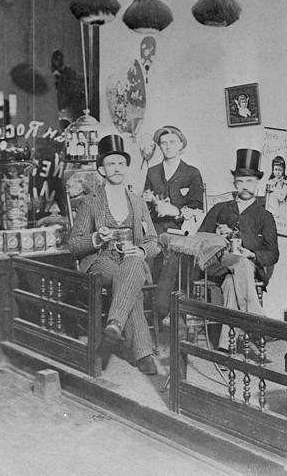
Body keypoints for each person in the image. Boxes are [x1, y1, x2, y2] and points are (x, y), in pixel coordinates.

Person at [68, 134, 162, 375]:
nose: (117, 168)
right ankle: (143, 353)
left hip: (131, 259)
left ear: (126, 166)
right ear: (101, 169)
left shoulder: (138, 202)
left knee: (131, 268)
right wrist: (96, 238)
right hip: (101, 260)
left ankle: (114, 325)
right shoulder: (90, 202)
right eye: (111, 163)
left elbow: (154, 242)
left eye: (121, 163)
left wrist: (140, 250)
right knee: (129, 281)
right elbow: (75, 244)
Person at [198, 149, 279, 349]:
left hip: (247, 268)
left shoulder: (264, 216)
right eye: (240, 181)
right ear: (234, 182)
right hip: (218, 264)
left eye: (249, 181)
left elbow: (273, 254)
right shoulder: (220, 209)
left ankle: (227, 346)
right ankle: (257, 320)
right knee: (237, 263)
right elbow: (199, 239)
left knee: (231, 282)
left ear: (257, 183)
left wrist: (251, 253)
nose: (245, 186)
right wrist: (218, 235)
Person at [145, 126, 204, 319]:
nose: (168, 146)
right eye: (163, 143)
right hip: (155, 227)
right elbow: (145, 204)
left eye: (172, 142)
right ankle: (147, 306)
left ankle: (161, 308)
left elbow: (197, 208)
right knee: (147, 251)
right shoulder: (153, 172)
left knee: (175, 253)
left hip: (180, 230)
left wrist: (176, 211)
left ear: (181, 145)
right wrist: (151, 203)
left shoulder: (192, 173)